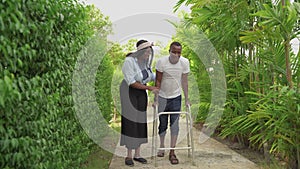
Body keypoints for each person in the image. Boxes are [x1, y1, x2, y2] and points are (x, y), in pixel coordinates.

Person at [120, 40, 159, 166]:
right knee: (131, 121)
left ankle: (138, 154)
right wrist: (150, 88)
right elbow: (131, 82)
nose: (148, 54)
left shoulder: (146, 63)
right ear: (140, 51)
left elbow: (151, 76)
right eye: (146, 52)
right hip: (129, 91)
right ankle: (129, 155)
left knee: (140, 120)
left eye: (149, 52)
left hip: (141, 91)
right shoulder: (129, 61)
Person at [154, 41, 190, 165]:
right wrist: (155, 99)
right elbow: (157, 81)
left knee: (175, 125)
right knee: (162, 124)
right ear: (169, 51)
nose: (176, 54)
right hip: (163, 96)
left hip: (176, 96)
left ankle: (172, 152)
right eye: (174, 52)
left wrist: (187, 99)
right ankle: (162, 146)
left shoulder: (184, 62)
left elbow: (185, 81)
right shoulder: (162, 62)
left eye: (178, 52)